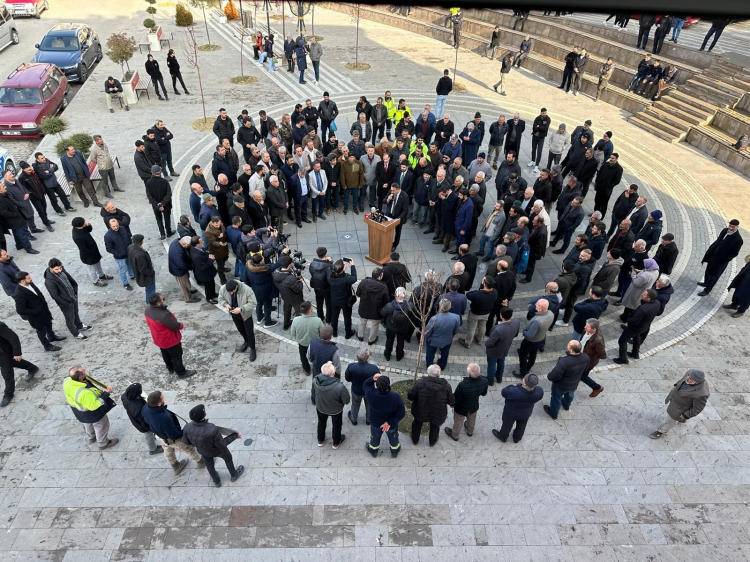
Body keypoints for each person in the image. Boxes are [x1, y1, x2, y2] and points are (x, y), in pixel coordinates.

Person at [142, 390, 204, 475]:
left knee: (168, 450)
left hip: (160, 436)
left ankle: (175, 466)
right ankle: (201, 462)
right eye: (162, 398)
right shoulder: (165, 419)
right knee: (189, 449)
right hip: (172, 439)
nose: (164, 398)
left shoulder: (145, 408)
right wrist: (185, 430)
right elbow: (174, 435)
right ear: (159, 404)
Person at [183, 404, 244, 487]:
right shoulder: (211, 428)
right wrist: (234, 436)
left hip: (203, 451)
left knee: (209, 465)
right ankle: (234, 474)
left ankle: (216, 481)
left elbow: (187, 442)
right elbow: (222, 444)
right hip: (218, 450)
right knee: (228, 459)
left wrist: (198, 445)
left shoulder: (187, 428)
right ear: (202, 415)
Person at [63, 366, 118, 449]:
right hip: (92, 412)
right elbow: (94, 405)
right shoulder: (84, 393)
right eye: (83, 372)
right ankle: (103, 443)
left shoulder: (67, 381)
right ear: (80, 377)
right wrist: (106, 393)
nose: (85, 371)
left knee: (87, 423)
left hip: (79, 410)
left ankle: (91, 437)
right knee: (101, 425)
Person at [144, 293, 197, 378]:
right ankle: (181, 372)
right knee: (176, 356)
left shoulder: (147, 309)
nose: (164, 300)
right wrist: (181, 324)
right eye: (163, 299)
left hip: (159, 338)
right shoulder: (163, 315)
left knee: (165, 353)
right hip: (170, 340)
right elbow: (176, 326)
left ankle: (170, 368)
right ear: (158, 303)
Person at [650, 370, 710, 439]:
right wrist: (676, 385)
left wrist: (686, 415)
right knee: (678, 418)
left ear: (697, 382)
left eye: (690, 378)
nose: (687, 378)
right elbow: (681, 380)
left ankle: (661, 431)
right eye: (688, 376)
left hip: (679, 409)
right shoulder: (690, 373)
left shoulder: (702, 393)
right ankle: (682, 420)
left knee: (669, 421)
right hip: (676, 400)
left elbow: (697, 408)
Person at [43, 258, 92, 340]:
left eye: (60, 268)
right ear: (51, 269)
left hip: (73, 297)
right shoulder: (49, 281)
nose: (59, 270)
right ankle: (76, 333)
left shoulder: (62, 270)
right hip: (65, 303)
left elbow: (70, 280)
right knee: (70, 319)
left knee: (76, 312)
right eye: (56, 269)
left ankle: (79, 325)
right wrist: (66, 303)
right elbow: (55, 296)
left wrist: (75, 291)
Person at [408, 364, 455, 447]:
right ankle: (432, 442)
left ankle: (415, 440)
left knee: (417, 424)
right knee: (435, 426)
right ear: (438, 375)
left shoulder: (419, 383)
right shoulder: (446, 386)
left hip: (420, 410)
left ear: (428, 373)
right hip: (438, 412)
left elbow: (410, 396)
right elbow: (450, 400)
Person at [543, 340, 589, 420]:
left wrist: (549, 376)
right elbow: (586, 369)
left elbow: (554, 375)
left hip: (561, 385)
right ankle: (566, 405)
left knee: (556, 398)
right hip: (574, 383)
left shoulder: (564, 361)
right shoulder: (586, 357)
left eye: (568, 345)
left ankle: (553, 413)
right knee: (570, 394)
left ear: (571, 350)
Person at [492, 373, 543, 443]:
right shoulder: (539, 391)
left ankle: (503, 437)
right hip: (526, 413)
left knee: (506, 425)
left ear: (524, 383)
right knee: (522, 425)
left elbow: (504, 392)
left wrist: (517, 385)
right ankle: (517, 438)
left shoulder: (514, 391)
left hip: (511, 413)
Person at [613, 289, 660, 364]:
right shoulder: (657, 303)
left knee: (622, 341)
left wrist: (627, 318)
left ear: (649, 298)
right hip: (644, 326)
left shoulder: (643, 309)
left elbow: (634, 321)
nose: (642, 294)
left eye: (644, 294)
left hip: (634, 328)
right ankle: (635, 353)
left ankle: (623, 359)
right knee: (637, 337)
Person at [311, 361, 350, 449]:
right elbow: (346, 401)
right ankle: (336, 443)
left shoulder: (315, 381)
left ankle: (320, 440)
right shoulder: (339, 387)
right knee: (336, 425)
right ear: (333, 374)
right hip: (335, 410)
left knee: (321, 422)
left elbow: (314, 393)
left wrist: (328, 365)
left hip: (321, 407)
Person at [364, 374, 405, 457]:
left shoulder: (371, 394)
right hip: (391, 424)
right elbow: (401, 413)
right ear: (388, 385)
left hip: (376, 422)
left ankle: (373, 451)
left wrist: (372, 378)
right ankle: (394, 451)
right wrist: (389, 422)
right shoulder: (395, 397)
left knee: (375, 437)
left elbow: (365, 384)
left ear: (377, 385)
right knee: (393, 437)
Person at [699, 219, 743, 296]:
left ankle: (707, 290)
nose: (731, 228)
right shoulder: (725, 230)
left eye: (733, 227)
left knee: (714, 275)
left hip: (721, 260)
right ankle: (706, 283)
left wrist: (724, 259)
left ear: (737, 227)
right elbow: (719, 240)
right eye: (730, 226)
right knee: (708, 269)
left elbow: (734, 253)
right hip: (713, 254)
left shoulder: (738, 239)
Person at [444, 363, 487, 441]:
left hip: (461, 408)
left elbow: (456, 397)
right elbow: (484, 393)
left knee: (458, 421)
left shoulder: (463, 385)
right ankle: (470, 432)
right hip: (473, 406)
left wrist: (452, 404)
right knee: (472, 419)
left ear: (469, 374)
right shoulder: (484, 381)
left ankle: (455, 435)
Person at [0, 321, 38, 407]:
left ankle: (8, 394)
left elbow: (13, 337)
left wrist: (17, 353)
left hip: (4, 354)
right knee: (15, 362)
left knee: (7, 374)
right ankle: (32, 368)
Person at [218, 279, 257, 362]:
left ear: (236, 287)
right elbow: (220, 299)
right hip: (234, 313)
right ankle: (246, 341)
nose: (231, 293)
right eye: (229, 292)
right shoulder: (223, 289)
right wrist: (226, 304)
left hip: (246, 315)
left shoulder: (247, 290)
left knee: (249, 332)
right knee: (241, 330)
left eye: (232, 291)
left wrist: (242, 309)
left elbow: (253, 303)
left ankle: (253, 349)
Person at [514, 299, 554, 379]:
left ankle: (523, 373)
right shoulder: (550, 313)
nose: (535, 305)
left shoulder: (537, 321)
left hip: (530, 341)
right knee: (533, 354)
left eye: (537, 305)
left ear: (540, 309)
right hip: (540, 338)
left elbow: (529, 335)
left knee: (523, 355)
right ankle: (528, 368)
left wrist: (524, 332)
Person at [121, 382, 162, 456]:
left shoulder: (124, 396)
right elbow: (144, 422)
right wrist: (151, 428)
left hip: (133, 418)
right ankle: (153, 449)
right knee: (148, 434)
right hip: (142, 425)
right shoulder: (138, 408)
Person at [485, 307, 520, 386]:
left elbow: (490, 343)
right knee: (501, 362)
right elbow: (516, 334)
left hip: (494, 351)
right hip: (505, 348)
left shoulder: (497, 329)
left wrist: (486, 343)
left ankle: (490, 380)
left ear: (501, 316)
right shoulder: (516, 322)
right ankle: (499, 377)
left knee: (492, 365)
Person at [70, 218, 110, 286]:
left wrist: (88, 225)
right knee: (92, 270)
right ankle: (95, 281)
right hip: (88, 255)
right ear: (80, 224)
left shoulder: (82, 228)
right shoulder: (77, 236)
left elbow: (89, 230)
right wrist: (92, 254)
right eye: (84, 222)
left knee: (98, 264)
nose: (85, 222)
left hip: (94, 250)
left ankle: (101, 275)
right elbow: (83, 248)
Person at [460, 277, 498, 349]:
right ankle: (479, 339)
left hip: (475, 314)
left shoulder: (477, 294)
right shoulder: (494, 292)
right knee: (482, 325)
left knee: (472, 328)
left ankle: (467, 343)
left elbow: (468, 294)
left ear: (484, 284)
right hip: (486, 313)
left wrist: (479, 290)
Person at [424, 299, 461, 370]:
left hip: (433, 341)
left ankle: (429, 365)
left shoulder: (434, 319)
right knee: (445, 354)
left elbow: (428, 331)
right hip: (447, 339)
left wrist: (427, 338)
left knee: (430, 354)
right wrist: (451, 336)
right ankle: (442, 365)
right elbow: (456, 330)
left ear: (440, 307)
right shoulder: (456, 317)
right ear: (450, 306)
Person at [356, 268, 390, 345]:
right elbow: (386, 301)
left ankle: (360, 336)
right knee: (375, 324)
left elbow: (358, 294)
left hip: (364, 308)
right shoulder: (383, 287)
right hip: (376, 310)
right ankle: (371, 340)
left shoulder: (363, 282)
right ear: (380, 277)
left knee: (362, 322)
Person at [291, 301, 324, 375]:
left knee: (303, 357)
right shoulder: (317, 320)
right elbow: (322, 332)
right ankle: (317, 369)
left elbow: (293, 333)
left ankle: (307, 370)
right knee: (316, 356)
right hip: (314, 344)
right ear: (310, 310)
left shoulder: (296, 320)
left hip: (302, 343)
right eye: (311, 306)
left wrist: (298, 339)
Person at [272, 254, 304, 329]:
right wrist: (300, 281)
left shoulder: (276, 273)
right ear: (289, 265)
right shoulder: (290, 278)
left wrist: (295, 279)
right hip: (295, 299)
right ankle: (299, 327)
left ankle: (286, 324)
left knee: (286, 310)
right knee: (299, 313)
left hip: (285, 296)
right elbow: (298, 288)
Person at [328, 258, 357, 339]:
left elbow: (329, 270)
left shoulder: (330, 277)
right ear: (343, 268)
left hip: (334, 301)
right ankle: (348, 333)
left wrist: (330, 263)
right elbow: (354, 278)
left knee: (334, 316)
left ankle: (334, 332)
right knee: (347, 318)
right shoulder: (346, 278)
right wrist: (352, 266)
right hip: (346, 302)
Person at [578, 318, 607, 398]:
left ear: (594, 329)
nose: (585, 327)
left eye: (587, 326)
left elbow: (601, 353)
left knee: (583, 376)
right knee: (582, 373)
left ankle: (597, 388)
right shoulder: (586, 331)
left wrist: (591, 357)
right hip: (582, 356)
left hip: (589, 362)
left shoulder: (598, 340)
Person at [103, 218, 134, 291]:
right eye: (114, 226)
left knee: (130, 265)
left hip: (128, 253)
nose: (116, 227)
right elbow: (109, 248)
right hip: (120, 257)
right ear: (110, 226)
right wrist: (119, 253)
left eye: (117, 225)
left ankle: (132, 276)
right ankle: (125, 283)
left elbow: (129, 238)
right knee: (123, 269)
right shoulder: (108, 236)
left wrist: (131, 247)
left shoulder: (122, 228)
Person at [145, 165, 175, 240]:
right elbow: (169, 194)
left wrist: (157, 204)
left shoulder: (148, 182)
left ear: (152, 172)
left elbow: (149, 195)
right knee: (167, 218)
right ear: (160, 172)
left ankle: (162, 234)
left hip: (155, 206)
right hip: (166, 205)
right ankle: (169, 232)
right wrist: (162, 204)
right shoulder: (164, 182)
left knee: (159, 219)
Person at [169, 237, 201, 304]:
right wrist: (191, 267)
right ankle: (188, 298)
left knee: (186, 282)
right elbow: (181, 265)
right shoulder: (178, 252)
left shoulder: (177, 241)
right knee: (184, 285)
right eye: (188, 245)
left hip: (178, 269)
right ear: (184, 244)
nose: (189, 247)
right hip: (179, 272)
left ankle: (188, 291)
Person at [128, 234, 156, 304]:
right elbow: (143, 269)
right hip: (146, 276)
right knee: (150, 291)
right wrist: (151, 272)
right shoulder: (140, 254)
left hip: (139, 273)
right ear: (141, 242)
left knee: (149, 290)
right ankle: (150, 305)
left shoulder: (130, 247)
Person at [190, 236, 219, 304]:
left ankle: (213, 294)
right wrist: (211, 259)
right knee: (208, 286)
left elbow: (204, 252)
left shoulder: (197, 249)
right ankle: (209, 298)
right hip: (205, 274)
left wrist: (209, 255)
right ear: (197, 245)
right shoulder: (197, 256)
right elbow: (203, 267)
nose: (203, 242)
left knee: (212, 283)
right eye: (201, 242)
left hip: (209, 272)